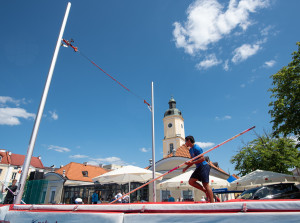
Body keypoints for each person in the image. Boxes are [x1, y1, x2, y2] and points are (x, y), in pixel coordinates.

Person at [183, 135, 214, 203]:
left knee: (205, 184)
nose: (185, 143)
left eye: (186, 141)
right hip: (198, 167)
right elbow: (192, 161)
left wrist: (192, 162)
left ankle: (212, 203)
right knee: (191, 181)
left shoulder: (197, 148)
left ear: (189, 141)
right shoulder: (190, 150)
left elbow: (202, 158)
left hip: (204, 166)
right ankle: (205, 191)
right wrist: (186, 167)